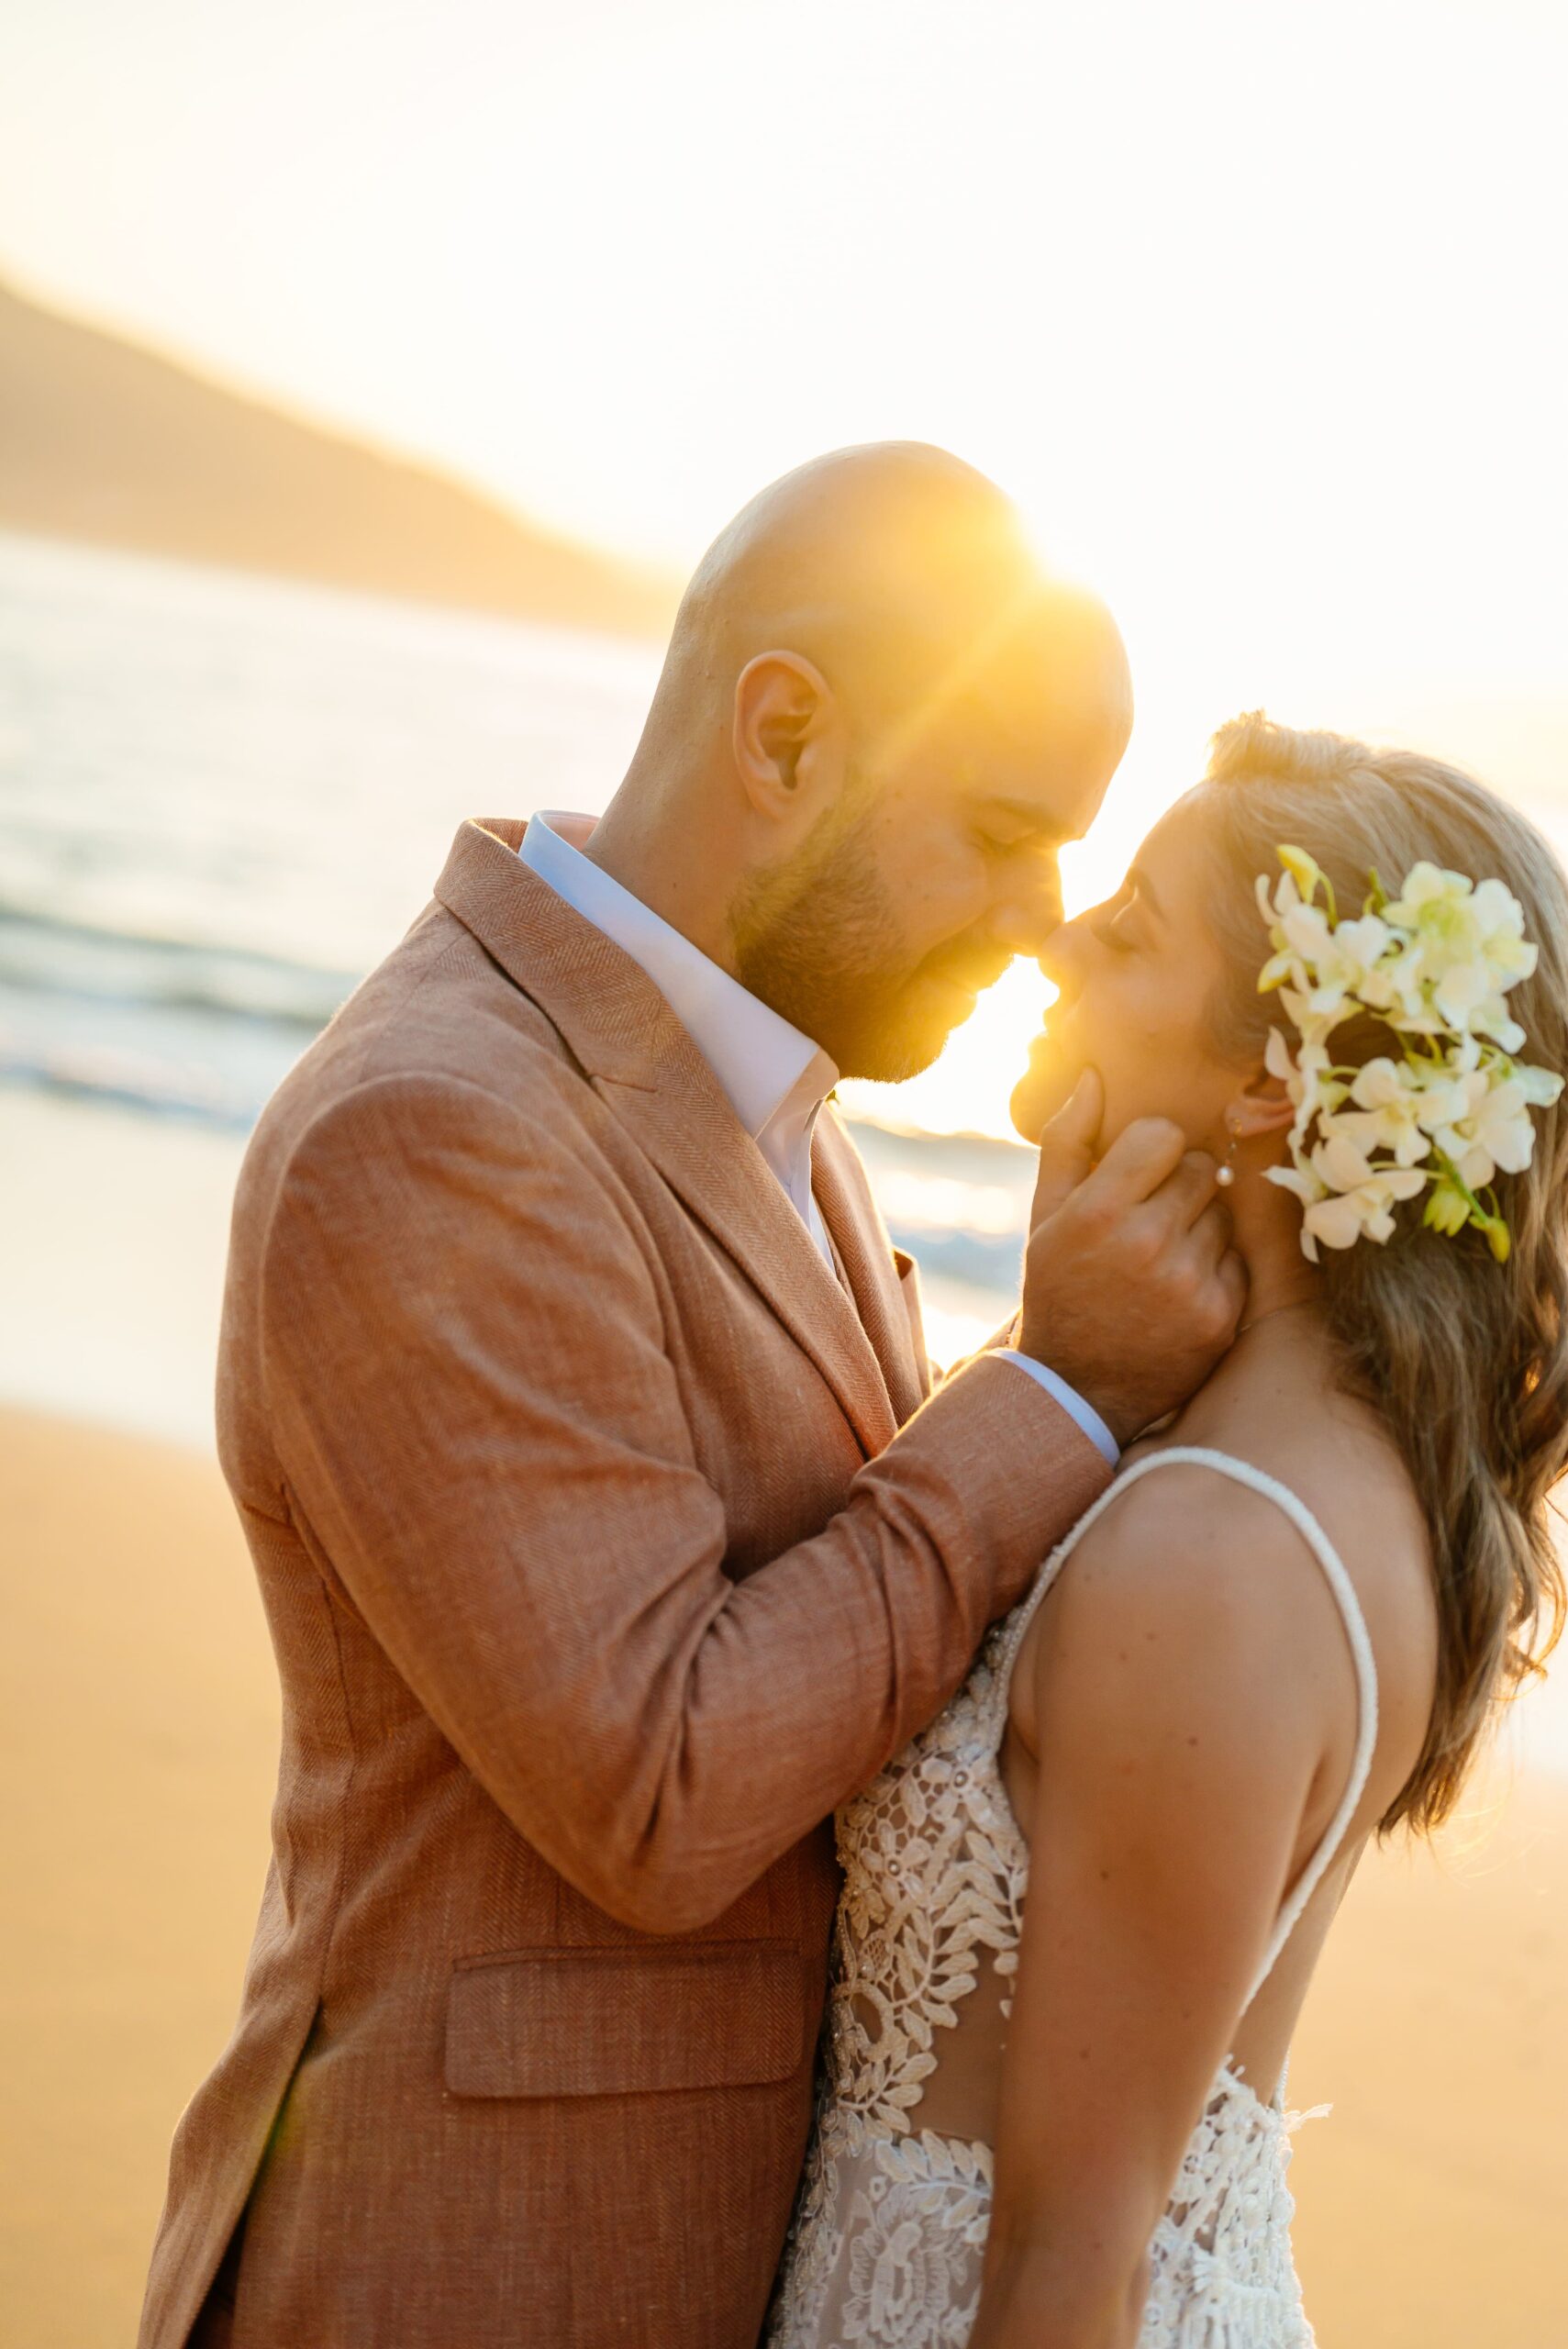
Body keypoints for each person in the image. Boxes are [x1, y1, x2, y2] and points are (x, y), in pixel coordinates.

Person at [138, 444, 1244, 2349]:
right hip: (473, 2274)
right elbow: (661, 1784)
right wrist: (1055, 1384)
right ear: (785, 736)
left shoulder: (776, 1084)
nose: (1041, 917)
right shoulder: (435, 1130)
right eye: (1001, 830)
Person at [766, 712, 1568, 2349]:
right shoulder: (1270, 1453)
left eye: (1127, 930)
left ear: (1274, 1084)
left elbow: (1073, 2265)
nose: (1053, 939)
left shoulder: (1216, 1560)